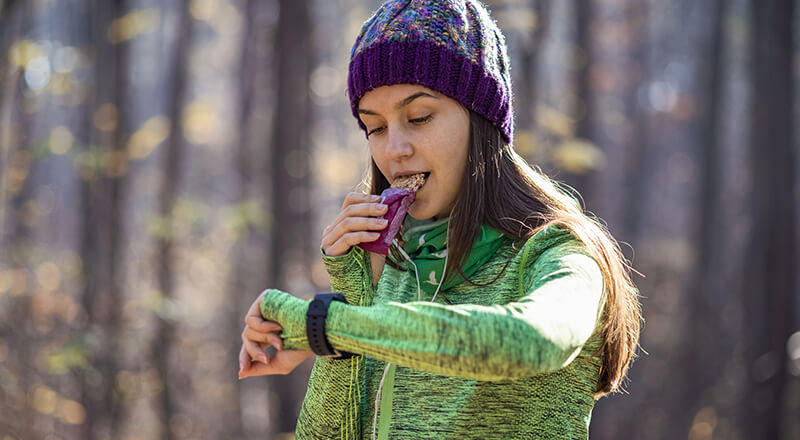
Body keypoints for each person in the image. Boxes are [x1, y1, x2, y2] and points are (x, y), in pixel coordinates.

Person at [238, 1, 642, 439]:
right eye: (374, 127)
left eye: (419, 117)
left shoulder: (559, 254)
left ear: (482, 120)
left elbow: (527, 342)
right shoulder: (392, 267)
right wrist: (353, 299)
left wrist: (324, 324)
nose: (394, 150)